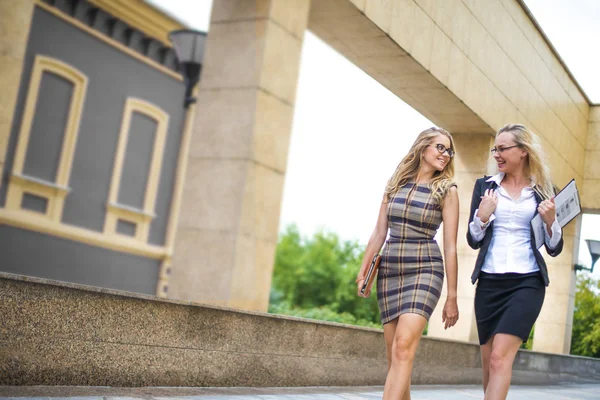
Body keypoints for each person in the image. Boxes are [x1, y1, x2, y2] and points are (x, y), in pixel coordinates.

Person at [356, 127, 460, 400]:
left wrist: (452, 296)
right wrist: (364, 271)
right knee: (395, 358)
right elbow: (380, 232)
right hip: (390, 271)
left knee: (403, 348)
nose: (445, 154)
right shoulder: (395, 184)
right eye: (440, 147)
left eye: (449, 150)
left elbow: (450, 246)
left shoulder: (447, 190)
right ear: (423, 147)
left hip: (425, 270)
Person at [467, 123, 563, 400]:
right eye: (495, 149)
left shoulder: (544, 192)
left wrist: (551, 223)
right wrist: (482, 217)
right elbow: (473, 240)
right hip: (489, 282)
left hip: (527, 282)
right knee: (489, 364)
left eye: (503, 148)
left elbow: (555, 248)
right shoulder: (484, 187)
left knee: (499, 358)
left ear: (523, 151)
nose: (496, 154)